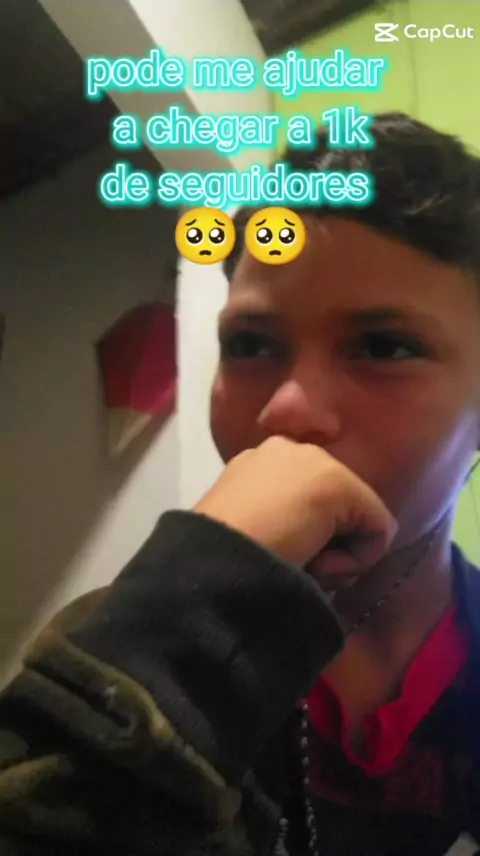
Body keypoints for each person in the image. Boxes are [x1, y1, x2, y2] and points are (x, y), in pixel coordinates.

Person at [1, 112, 480, 856]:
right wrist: (184, 630)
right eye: (250, 345)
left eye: (384, 347)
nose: (284, 410)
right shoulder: (124, 644)